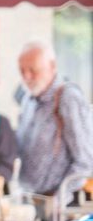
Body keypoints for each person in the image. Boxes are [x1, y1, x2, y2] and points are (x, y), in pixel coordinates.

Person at [16, 41, 93, 199]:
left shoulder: (67, 98)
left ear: (52, 66)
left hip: (60, 206)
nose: (26, 76)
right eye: (22, 70)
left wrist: (59, 199)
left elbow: (85, 161)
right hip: (32, 201)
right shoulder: (27, 100)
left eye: (33, 69)